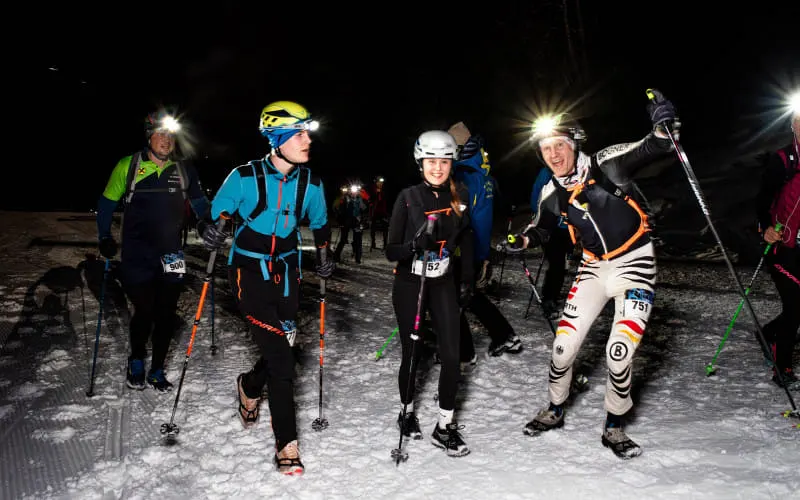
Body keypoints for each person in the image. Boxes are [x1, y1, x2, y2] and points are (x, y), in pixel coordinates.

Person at [503, 89, 679, 459]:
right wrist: (523, 239)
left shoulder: (606, 164)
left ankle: (614, 425)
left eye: (560, 145)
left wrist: (663, 127)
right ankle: (554, 408)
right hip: (593, 267)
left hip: (635, 265)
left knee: (618, 354)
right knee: (562, 348)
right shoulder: (552, 191)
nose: (554, 154)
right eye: (546, 149)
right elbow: (542, 226)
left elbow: (652, 147)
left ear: (575, 143)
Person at [204, 101, 334, 476]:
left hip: (288, 273)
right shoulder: (244, 177)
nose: (307, 140)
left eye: (307, 133)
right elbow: (215, 215)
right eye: (298, 134)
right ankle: (286, 446)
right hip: (248, 271)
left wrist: (324, 255)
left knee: (283, 347)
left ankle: (249, 385)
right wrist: (208, 229)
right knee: (282, 360)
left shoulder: (311, 184)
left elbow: (321, 225)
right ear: (277, 139)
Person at [96, 109, 212, 393]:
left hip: (172, 254)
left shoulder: (184, 169)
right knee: (145, 309)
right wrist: (104, 237)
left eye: (170, 134)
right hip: (137, 254)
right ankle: (136, 359)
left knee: (167, 313)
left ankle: (157, 369)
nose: (166, 139)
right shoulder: (129, 165)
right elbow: (107, 204)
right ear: (149, 136)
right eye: (160, 133)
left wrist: (205, 223)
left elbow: (199, 202)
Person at [387, 130, 474, 457]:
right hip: (411, 283)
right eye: (431, 161)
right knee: (413, 352)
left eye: (444, 162)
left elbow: (467, 236)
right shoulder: (408, 197)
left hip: (443, 282)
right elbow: (391, 251)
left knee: (452, 356)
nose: (437, 168)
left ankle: (444, 427)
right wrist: (413, 245)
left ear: (452, 163)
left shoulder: (460, 194)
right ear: (420, 163)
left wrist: (468, 278)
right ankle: (407, 411)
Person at [449, 123, 522, 358]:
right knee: (469, 295)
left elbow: (460, 219)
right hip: (477, 246)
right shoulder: (483, 174)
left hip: (463, 248)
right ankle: (504, 336)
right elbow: (495, 207)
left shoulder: (462, 177)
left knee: (454, 297)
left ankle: (463, 352)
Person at [756, 108, 800, 389]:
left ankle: (768, 333)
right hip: (783, 247)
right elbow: (762, 200)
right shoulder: (784, 159)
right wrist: (766, 228)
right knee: (795, 306)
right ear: (794, 125)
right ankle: (782, 366)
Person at [530, 166, 574, 319]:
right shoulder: (547, 171)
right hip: (551, 226)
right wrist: (540, 216)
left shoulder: (578, 169)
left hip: (569, 227)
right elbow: (537, 194)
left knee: (563, 263)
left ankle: (553, 293)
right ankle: (549, 299)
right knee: (557, 264)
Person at [333, 182, 369, 263]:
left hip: (356, 221)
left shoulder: (359, 199)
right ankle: (336, 256)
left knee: (358, 240)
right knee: (343, 239)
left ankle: (358, 258)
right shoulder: (345, 198)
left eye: (355, 191)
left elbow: (364, 208)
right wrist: (340, 220)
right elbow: (339, 209)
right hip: (346, 221)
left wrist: (366, 205)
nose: (354, 193)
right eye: (352, 191)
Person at [369, 176, 390, 250]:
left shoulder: (385, 190)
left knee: (385, 228)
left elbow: (387, 199)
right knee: (373, 228)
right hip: (375, 211)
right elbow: (370, 199)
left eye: (381, 182)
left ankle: (385, 244)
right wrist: (377, 193)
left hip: (383, 211)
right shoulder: (373, 190)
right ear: (376, 183)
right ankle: (373, 243)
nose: (380, 184)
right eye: (378, 182)